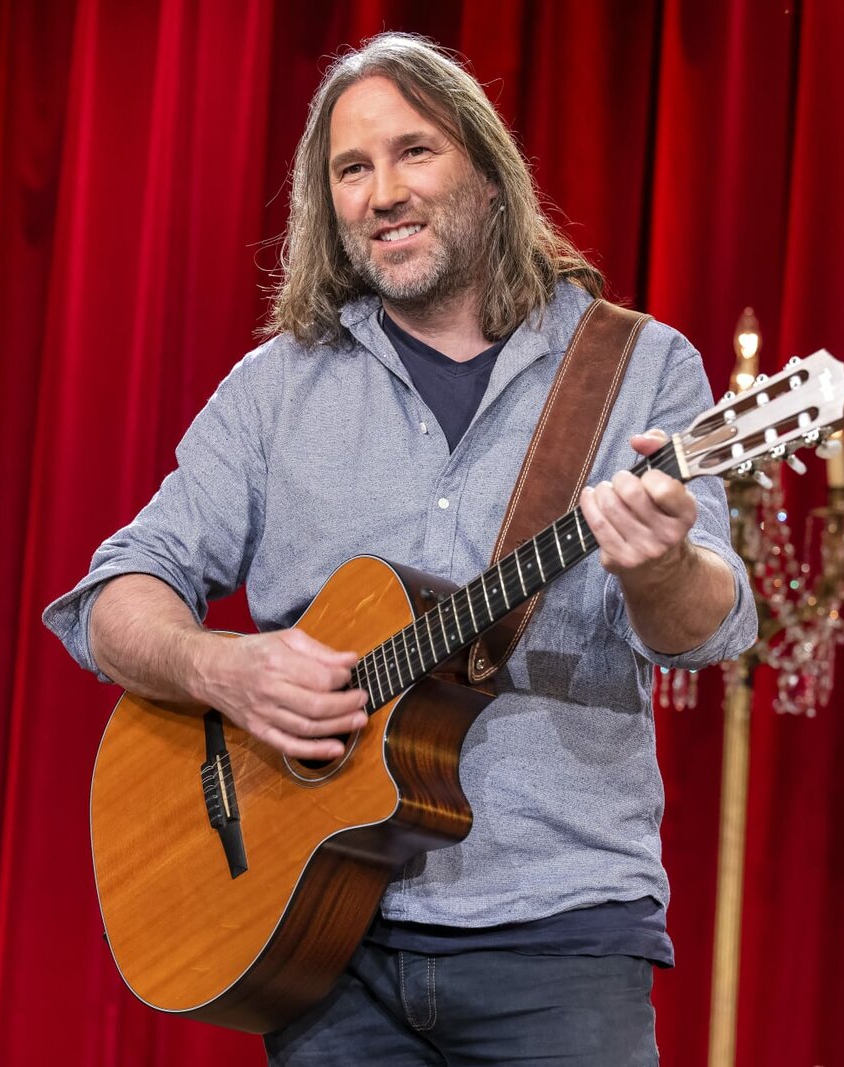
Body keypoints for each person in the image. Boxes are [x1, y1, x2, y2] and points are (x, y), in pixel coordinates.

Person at [45, 31, 755, 1065]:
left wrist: (660, 567)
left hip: (559, 931)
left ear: (487, 172)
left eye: (414, 151)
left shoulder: (638, 367)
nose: (383, 192)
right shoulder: (274, 390)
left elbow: (709, 626)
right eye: (352, 168)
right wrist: (223, 668)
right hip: (327, 947)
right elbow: (116, 594)